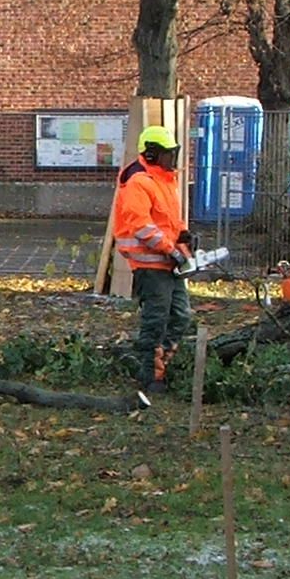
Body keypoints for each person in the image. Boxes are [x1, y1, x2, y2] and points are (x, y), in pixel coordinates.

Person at [110, 125, 194, 395]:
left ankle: (165, 365)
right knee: (155, 320)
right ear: (152, 153)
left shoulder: (164, 180)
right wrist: (171, 249)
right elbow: (142, 226)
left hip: (168, 261)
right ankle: (150, 375)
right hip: (150, 263)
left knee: (181, 315)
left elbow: (171, 220)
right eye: (168, 154)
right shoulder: (139, 182)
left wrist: (184, 239)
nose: (172, 159)